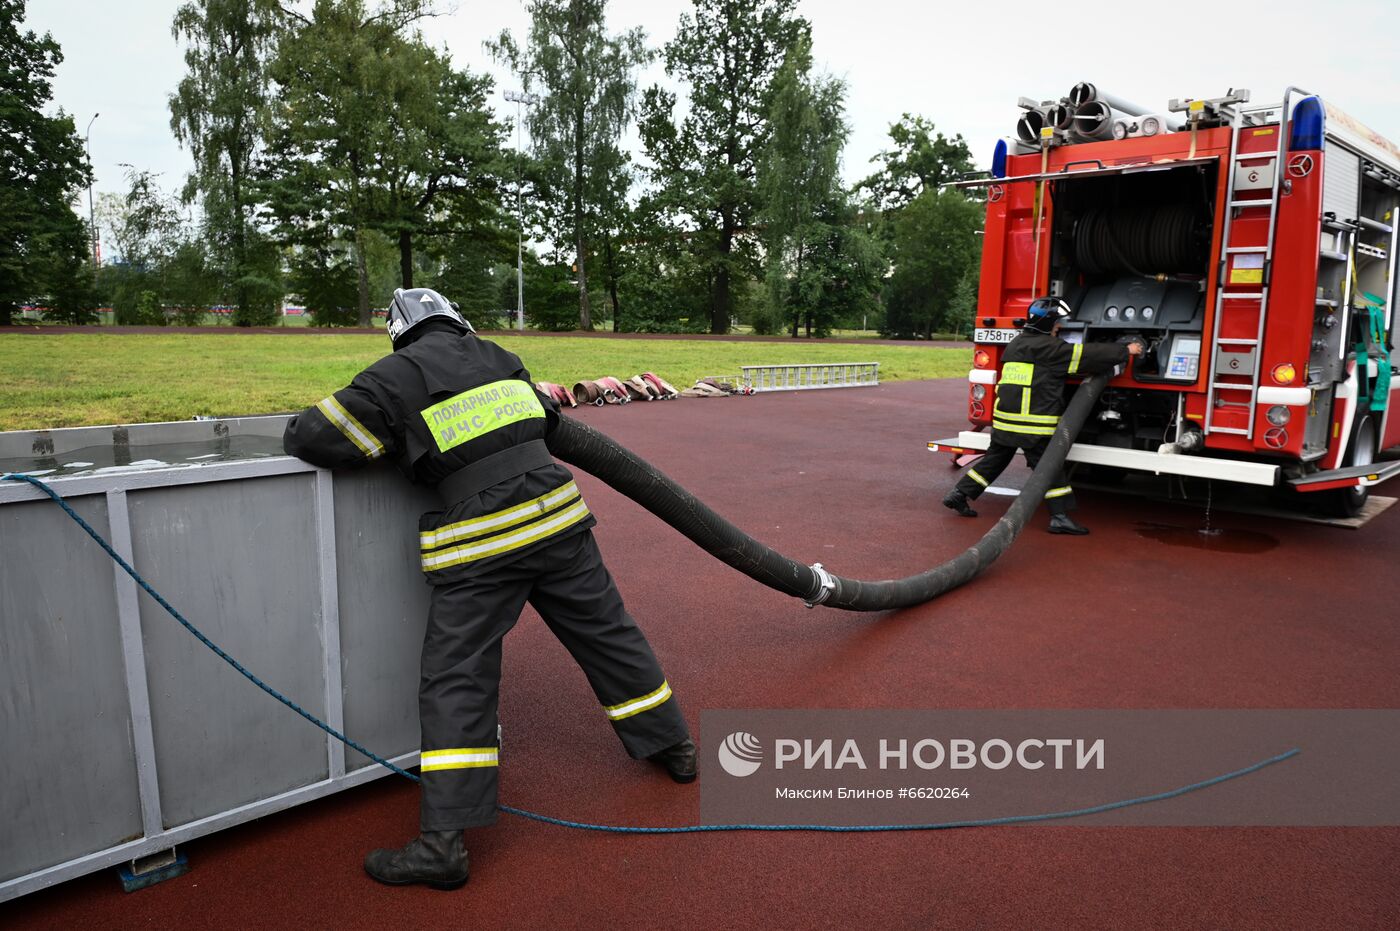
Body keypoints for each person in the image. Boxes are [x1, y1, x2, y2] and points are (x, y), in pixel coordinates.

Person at [283, 288, 695, 890]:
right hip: (559, 522)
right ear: (456, 320)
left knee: (458, 678)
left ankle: (444, 845)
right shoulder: (500, 355)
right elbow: (539, 423)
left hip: (484, 547)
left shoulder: (389, 378)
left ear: (400, 333)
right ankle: (674, 746)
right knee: (609, 635)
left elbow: (313, 438)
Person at [942, 297, 1143, 534]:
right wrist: (1126, 350)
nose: (1059, 327)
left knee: (994, 461)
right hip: (1031, 426)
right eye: (1057, 323)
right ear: (1048, 323)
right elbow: (1088, 356)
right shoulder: (1049, 348)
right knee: (1049, 467)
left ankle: (959, 493)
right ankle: (1059, 516)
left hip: (1005, 421)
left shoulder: (1017, 343)